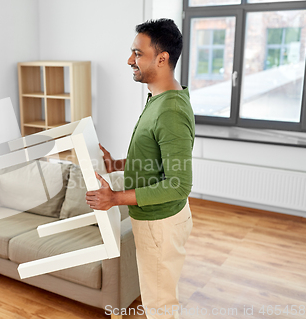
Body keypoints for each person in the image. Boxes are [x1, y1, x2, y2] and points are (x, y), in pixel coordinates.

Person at [86, 19, 195, 319]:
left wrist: (114, 199)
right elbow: (156, 158)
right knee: (158, 300)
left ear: (162, 58)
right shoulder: (158, 99)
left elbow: (178, 184)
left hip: (160, 223)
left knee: (159, 307)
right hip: (157, 219)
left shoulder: (170, 110)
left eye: (137, 53)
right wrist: (117, 165)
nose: (129, 60)